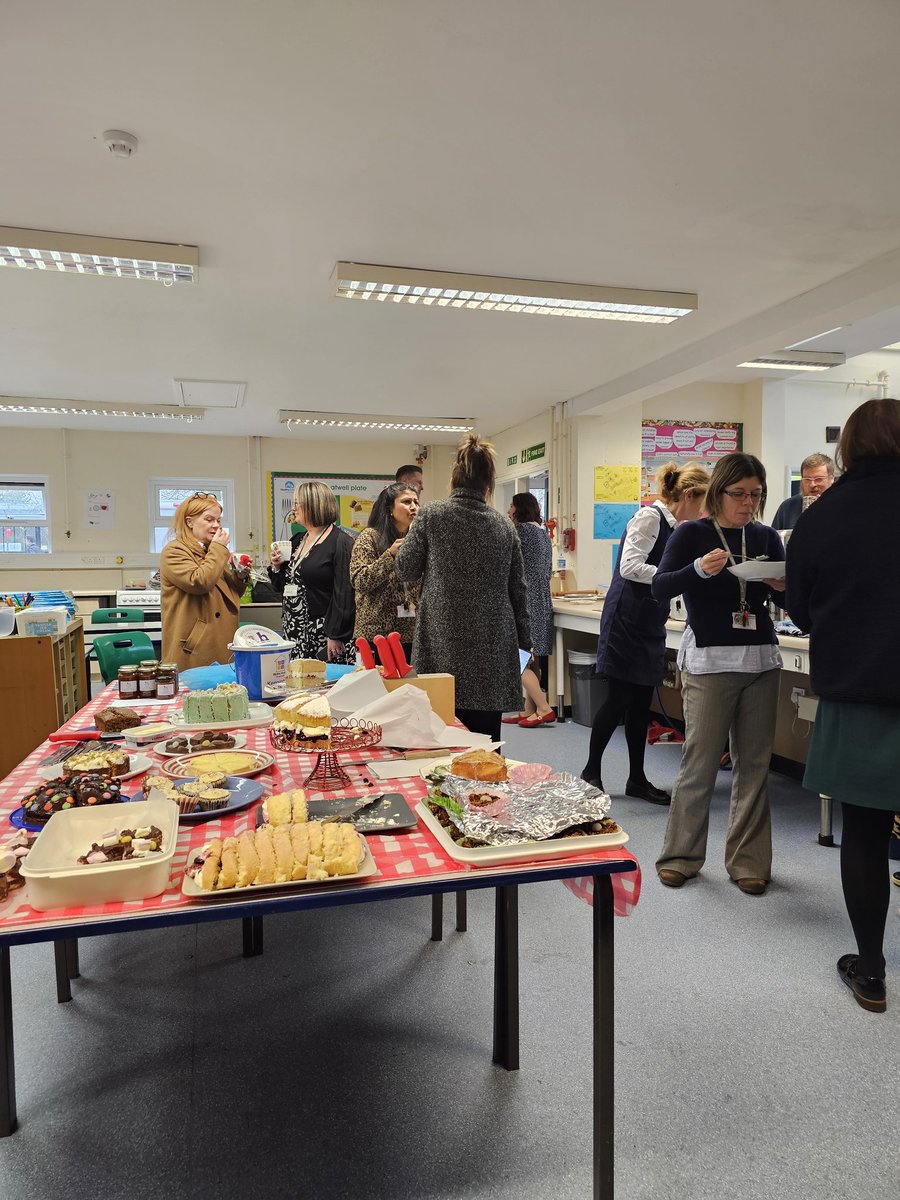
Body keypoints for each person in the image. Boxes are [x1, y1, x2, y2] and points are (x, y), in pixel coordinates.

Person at [786, 397, 900, 1013]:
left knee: (864, 832)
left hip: (860, 691)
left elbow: (801, 609)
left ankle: (873, 971)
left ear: (847, 450)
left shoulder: (824, 516)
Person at [651, 452, 785, 894]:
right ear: (718, 492)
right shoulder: (692, 533)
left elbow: (785, 605)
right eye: (740, 494)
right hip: (710, 662)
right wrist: (696, 571)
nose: (748, 503)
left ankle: (749, 861)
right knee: (700, 762)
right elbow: (659, 587)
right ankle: (680, 856)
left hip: (760, 661)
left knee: (753, 765)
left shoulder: (766, 536)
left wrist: (785, 589)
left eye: (756, 495)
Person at [581, 462, 711, 801]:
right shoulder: (649, 518)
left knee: (641, 702)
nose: (704, 511)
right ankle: (590, 771)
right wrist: (680, 575)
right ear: (688, 495)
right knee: (619, 698)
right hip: (626, 620)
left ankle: (636, 778)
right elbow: (630, 566)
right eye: (702, 502)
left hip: (649, 620)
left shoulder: (676, 527)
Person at [396, 434, 531, 741]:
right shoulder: (503, 526)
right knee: (485, 744)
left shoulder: (431, 515)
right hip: (492, 646)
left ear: (454, 479)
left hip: (442, 644)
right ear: (488, 483)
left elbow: (405, 568)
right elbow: (518, 590)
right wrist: (525, 642)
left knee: (437, 740)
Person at [159, 492, 249, 670]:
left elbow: (231, 593)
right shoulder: (174, 551)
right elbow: (199, 583)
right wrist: (219, 549)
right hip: (194, 648)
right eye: (209, 519)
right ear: (189, 522)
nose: (216, 525)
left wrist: (240, 576)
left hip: (222, 641)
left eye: (218, 520)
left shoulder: (211, 551)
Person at [268, 481, 355, 662]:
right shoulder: (298, 540)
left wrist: (336, 634)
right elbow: (285, 585)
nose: (293, 508)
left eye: (297, 503)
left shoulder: (340, 542)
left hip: (324, 634)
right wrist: (277, 567)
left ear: (314, 505)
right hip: (294, 631)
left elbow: (345, 592)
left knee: (324, 686)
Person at [503, 492, 556, 727]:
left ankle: (544, 707)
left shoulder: (520, 532)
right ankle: (529, 710)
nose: (508, 510)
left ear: (520, 509)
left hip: (525, 601)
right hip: (542, 600)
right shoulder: (543, 534)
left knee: (519, 658)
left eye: (512, 506)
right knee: (533, 659)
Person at [350, 482, 421, 658]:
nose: (413, 507)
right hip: (376, 634)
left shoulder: (416, 540)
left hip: (409, 633)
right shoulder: (369, 537)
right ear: (389, 508)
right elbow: (360, 580)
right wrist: (389, 556)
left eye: (416, 502)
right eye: (406, 502)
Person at [771, 452, 835, 530]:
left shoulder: (841, 506)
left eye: (818, 479)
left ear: (831, 479)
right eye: (807, 479)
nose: (812, 484)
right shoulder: (787, 507)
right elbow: (774, 539)